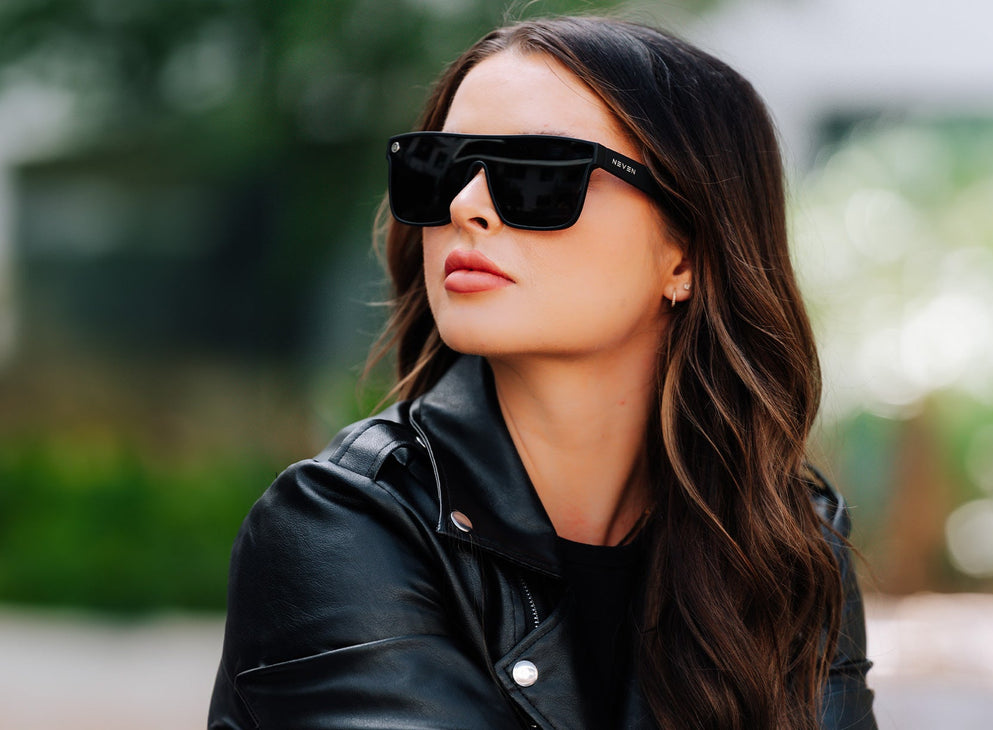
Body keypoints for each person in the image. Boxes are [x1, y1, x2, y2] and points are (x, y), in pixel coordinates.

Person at [208, 16, 876, 730]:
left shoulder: (783, 546)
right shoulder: (341, 525)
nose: (465, 205)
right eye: (439, 168)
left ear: (684, 254)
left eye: (538, 174)